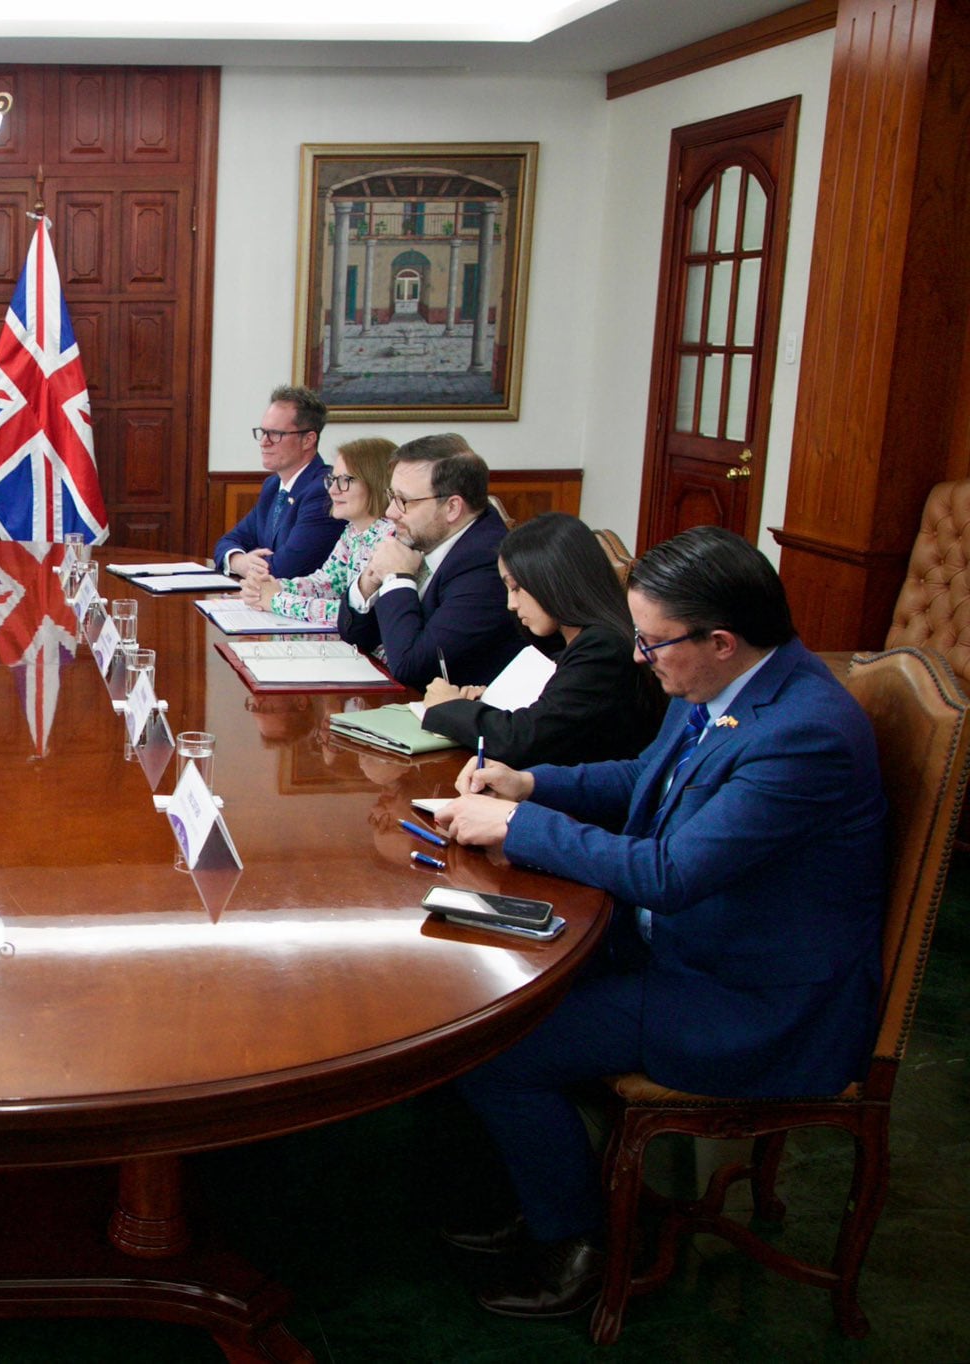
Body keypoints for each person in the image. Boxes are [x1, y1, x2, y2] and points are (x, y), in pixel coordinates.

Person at [433, 527, 886, 1319]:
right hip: (679, 947)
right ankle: (545, 1188)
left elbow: (672, 874)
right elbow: (645, 777)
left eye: (652, 642)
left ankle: (579, 1243)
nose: (640, 658)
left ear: (720, 640)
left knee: (496, 1048)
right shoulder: (722, 683)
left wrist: (516, 827)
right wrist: (530, 784)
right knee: (482, 973)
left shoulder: (804, 735)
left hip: (746, 996)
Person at [418, 512, 663, 767]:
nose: (511, 604)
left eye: (516, 588)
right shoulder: (570, 641)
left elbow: (522, 740)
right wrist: (488, 702)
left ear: (554, 580)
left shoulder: (603, 648)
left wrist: (450, 706)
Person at [335, 433, 524, 688]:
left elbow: (412, 667)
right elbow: (355, 635)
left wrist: (397, 578)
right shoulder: (423, 535)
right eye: (391, 496)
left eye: (403, 501)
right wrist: (369, 581)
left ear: (452, 507)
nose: (390, 512)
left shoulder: (487, 565)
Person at [236, 436, 396, 628]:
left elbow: (356, 615)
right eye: (332, 480)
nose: (333, 490)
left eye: (345, 480)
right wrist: (271, 587)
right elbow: (326, 583)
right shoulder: (353, 531)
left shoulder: (391, 540)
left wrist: (276, 600)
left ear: (376, 483)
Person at [213, 385, 346, 583]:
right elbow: (228, 541)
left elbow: (285, 568)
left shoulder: (323, 490)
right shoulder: (273, 485)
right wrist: (239, 561)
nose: (264, 442)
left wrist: (250, 564)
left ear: (308, 440)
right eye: (263, 432)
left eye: (275, 434)